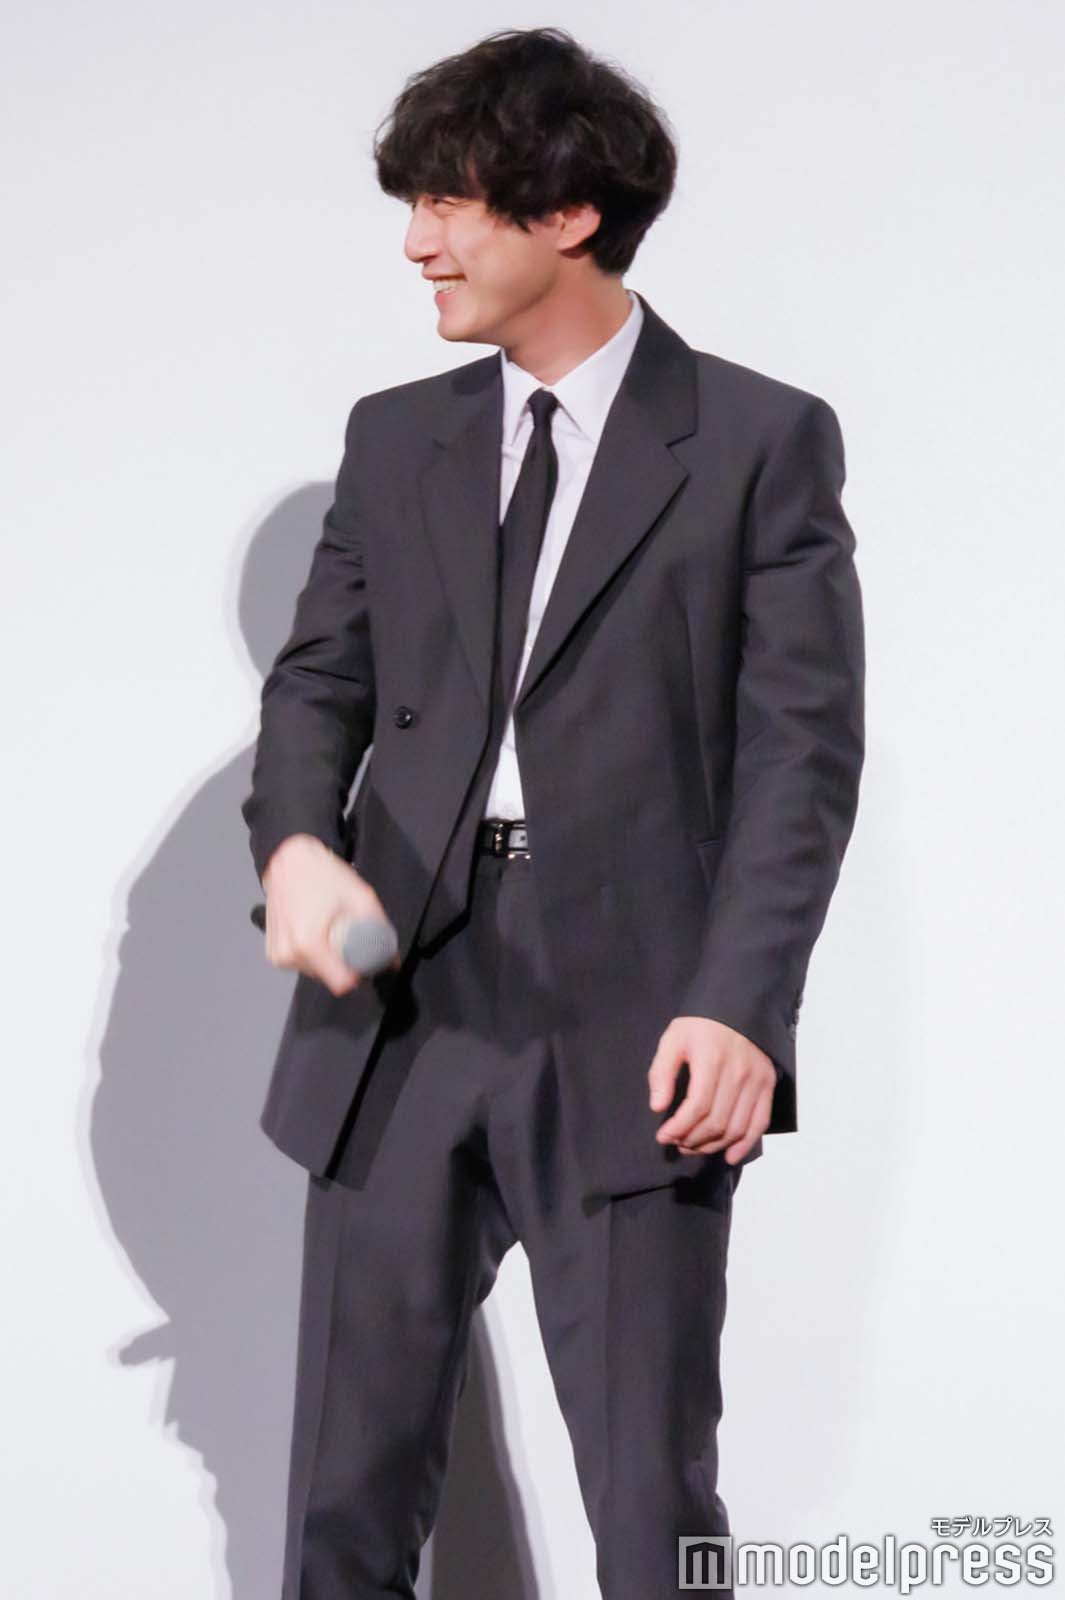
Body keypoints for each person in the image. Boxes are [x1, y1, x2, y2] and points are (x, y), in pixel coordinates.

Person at [241, 25, 865, 1599]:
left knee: (655, 1514)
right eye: (414, 206)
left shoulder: (756, 440)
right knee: (342, 1505)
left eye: (447, 201)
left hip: (639, 1015)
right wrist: (298, 845)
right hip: (401, 1005)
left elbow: (800, 755)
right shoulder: (397, 437)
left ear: (569, 212)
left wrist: (741, 1004)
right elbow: (316, 684)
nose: (416, 243)